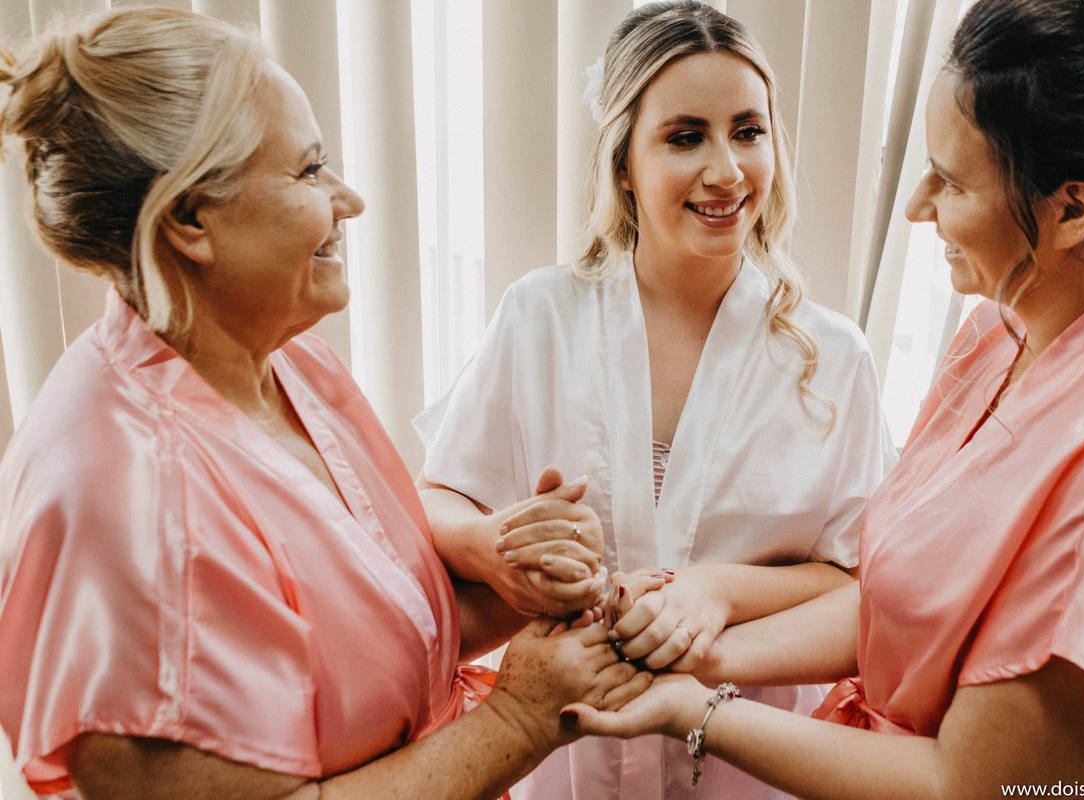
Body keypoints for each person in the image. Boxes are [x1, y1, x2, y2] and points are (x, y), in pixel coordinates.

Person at [0, 8, 650, 799]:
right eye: (309, 172)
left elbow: (370, 641)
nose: (348, 200)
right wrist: (518, 719)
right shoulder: (120, 508)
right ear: (189, 219)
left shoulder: (284, 359)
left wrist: (510, 579)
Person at [564, 0, 1084, 794]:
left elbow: (968, 784)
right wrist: (697, 646)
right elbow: (896, 601)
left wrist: (692, 709)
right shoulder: (999, 331)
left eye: (952, 181)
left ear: (1071, 209)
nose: (917, 205)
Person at [413, 2, 894, 798]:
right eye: (684, 136)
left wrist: (717, 594)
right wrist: (494, 545)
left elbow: (858, 588)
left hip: (753, 766)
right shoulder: (539, 317)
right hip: (568, 761)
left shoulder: (834, 358)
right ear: (624, 164)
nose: (727, 171)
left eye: (748, 131)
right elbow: (436, 496)